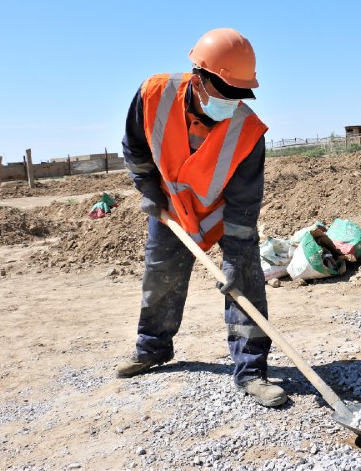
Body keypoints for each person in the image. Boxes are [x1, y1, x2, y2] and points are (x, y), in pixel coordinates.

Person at [117, 28, 287, 408]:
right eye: (224, 92)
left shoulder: (248, 132)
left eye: (238, 94)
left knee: (244, 282)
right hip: (172, 207)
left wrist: (235, 259)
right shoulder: (153, 94)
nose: (231, 102)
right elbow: (135, 146)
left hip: (223, 214)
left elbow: (244, 202)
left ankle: (252, 371)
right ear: (199, 78)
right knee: (160, 275)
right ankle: (152, 349)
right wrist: (148, 190)